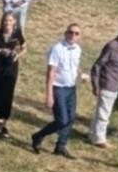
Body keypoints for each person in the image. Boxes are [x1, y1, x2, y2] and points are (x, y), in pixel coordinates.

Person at [31, 24, 89, 159]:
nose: (73, 35)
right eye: (71, 32)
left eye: (77, 33)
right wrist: (49, 95)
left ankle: (60, 147)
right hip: (58, 88)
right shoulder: (57, 49)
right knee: (62, 120)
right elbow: (51, 72)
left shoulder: (77, 49)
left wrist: (81, 75)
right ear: (65, 33)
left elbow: (75, 65)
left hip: (71, 88)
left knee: (70, 119)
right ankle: (38, 136)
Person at [88, 21, 118, 148]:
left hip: (115, 85)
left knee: (101, 112)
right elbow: (97, 66)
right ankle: (100, 140)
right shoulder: (112, 46)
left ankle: (93, 135)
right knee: (104, 114)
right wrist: (96, 85)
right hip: (107, 84)